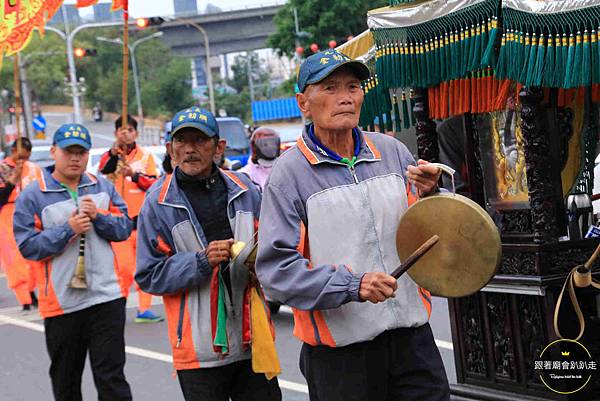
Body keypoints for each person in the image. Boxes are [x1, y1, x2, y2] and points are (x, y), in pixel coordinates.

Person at [256, 49, 451, 401]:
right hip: (341, 355)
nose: (345, 97)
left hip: (413, 342)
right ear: (304, 102)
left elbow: (428, 231)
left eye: (353, 86)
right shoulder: (289, 174)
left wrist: (432, 193)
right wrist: (352, 284)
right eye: (329, 88)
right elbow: (276, 271)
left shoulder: (392, 152)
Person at [135, 107, 281, 401]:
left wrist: (258, 262)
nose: (190, 149)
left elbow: (272, 245)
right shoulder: (157, 203)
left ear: (219, 147)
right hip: (198, 350)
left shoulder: (246, 189)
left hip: (253, 340)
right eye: (182, 141)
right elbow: (148, 275)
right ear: (170, 149)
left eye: (200, 140)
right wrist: (201, 261)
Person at [13, 124, 133, 401]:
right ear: (54, 152)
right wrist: (68, 229)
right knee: (66, 382)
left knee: (112, 379)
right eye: (69, 152)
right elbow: (28, 247)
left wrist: (100, 217)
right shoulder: (33, 195)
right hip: (62, 304)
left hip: (107, 298)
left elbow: (125, 227)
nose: (75, 158)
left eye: (81, 152)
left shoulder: (102, 185)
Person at [98, 114, 163, 323]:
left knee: (146, 266)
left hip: (142, 222)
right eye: (121, 130)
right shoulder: (110, 155)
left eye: (130, 130)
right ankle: (118, 307)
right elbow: (103, 171)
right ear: (116, 133)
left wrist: (132, 174)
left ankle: (144, 309)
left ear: (136, 133)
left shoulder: (146, 157)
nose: (126, 133)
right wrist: (116, 152)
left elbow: (153, 183)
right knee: (124, 269)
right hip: (120, 222)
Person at [0, 137, 40, 311]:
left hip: (30, 213)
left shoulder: (33, 169)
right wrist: (13, 180)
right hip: (8, 213)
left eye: (27, 156)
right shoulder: (3, 168)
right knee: (14, 258)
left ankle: (31, 290)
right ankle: (24, 296)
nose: (24, 160)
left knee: (33, 255)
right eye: (21, 156)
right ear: (14, 152)